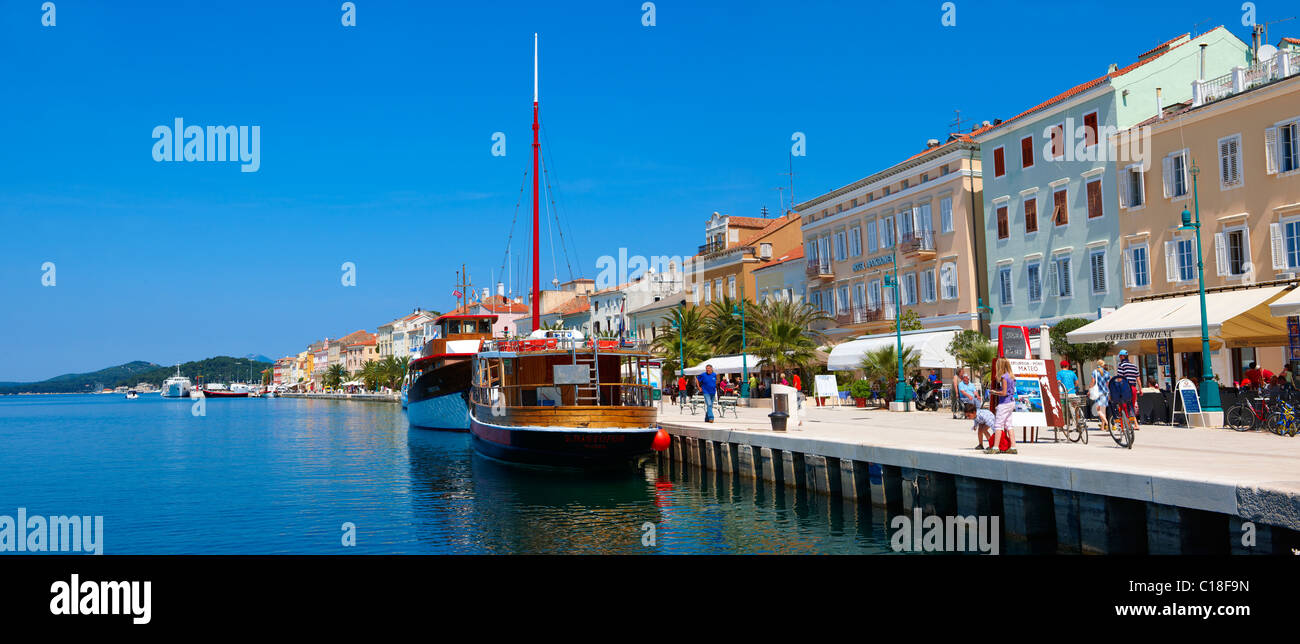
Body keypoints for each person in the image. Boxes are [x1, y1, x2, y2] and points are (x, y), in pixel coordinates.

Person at [986, 358, 1017, 454]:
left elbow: (1003, 393)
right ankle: (1013, 447)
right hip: (1011, 402)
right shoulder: (1011, 376)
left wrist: (994, 392)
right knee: (1009, 425)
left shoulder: (1004, 377)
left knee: (998, 425)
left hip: (1004, 403)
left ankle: (995, 447)